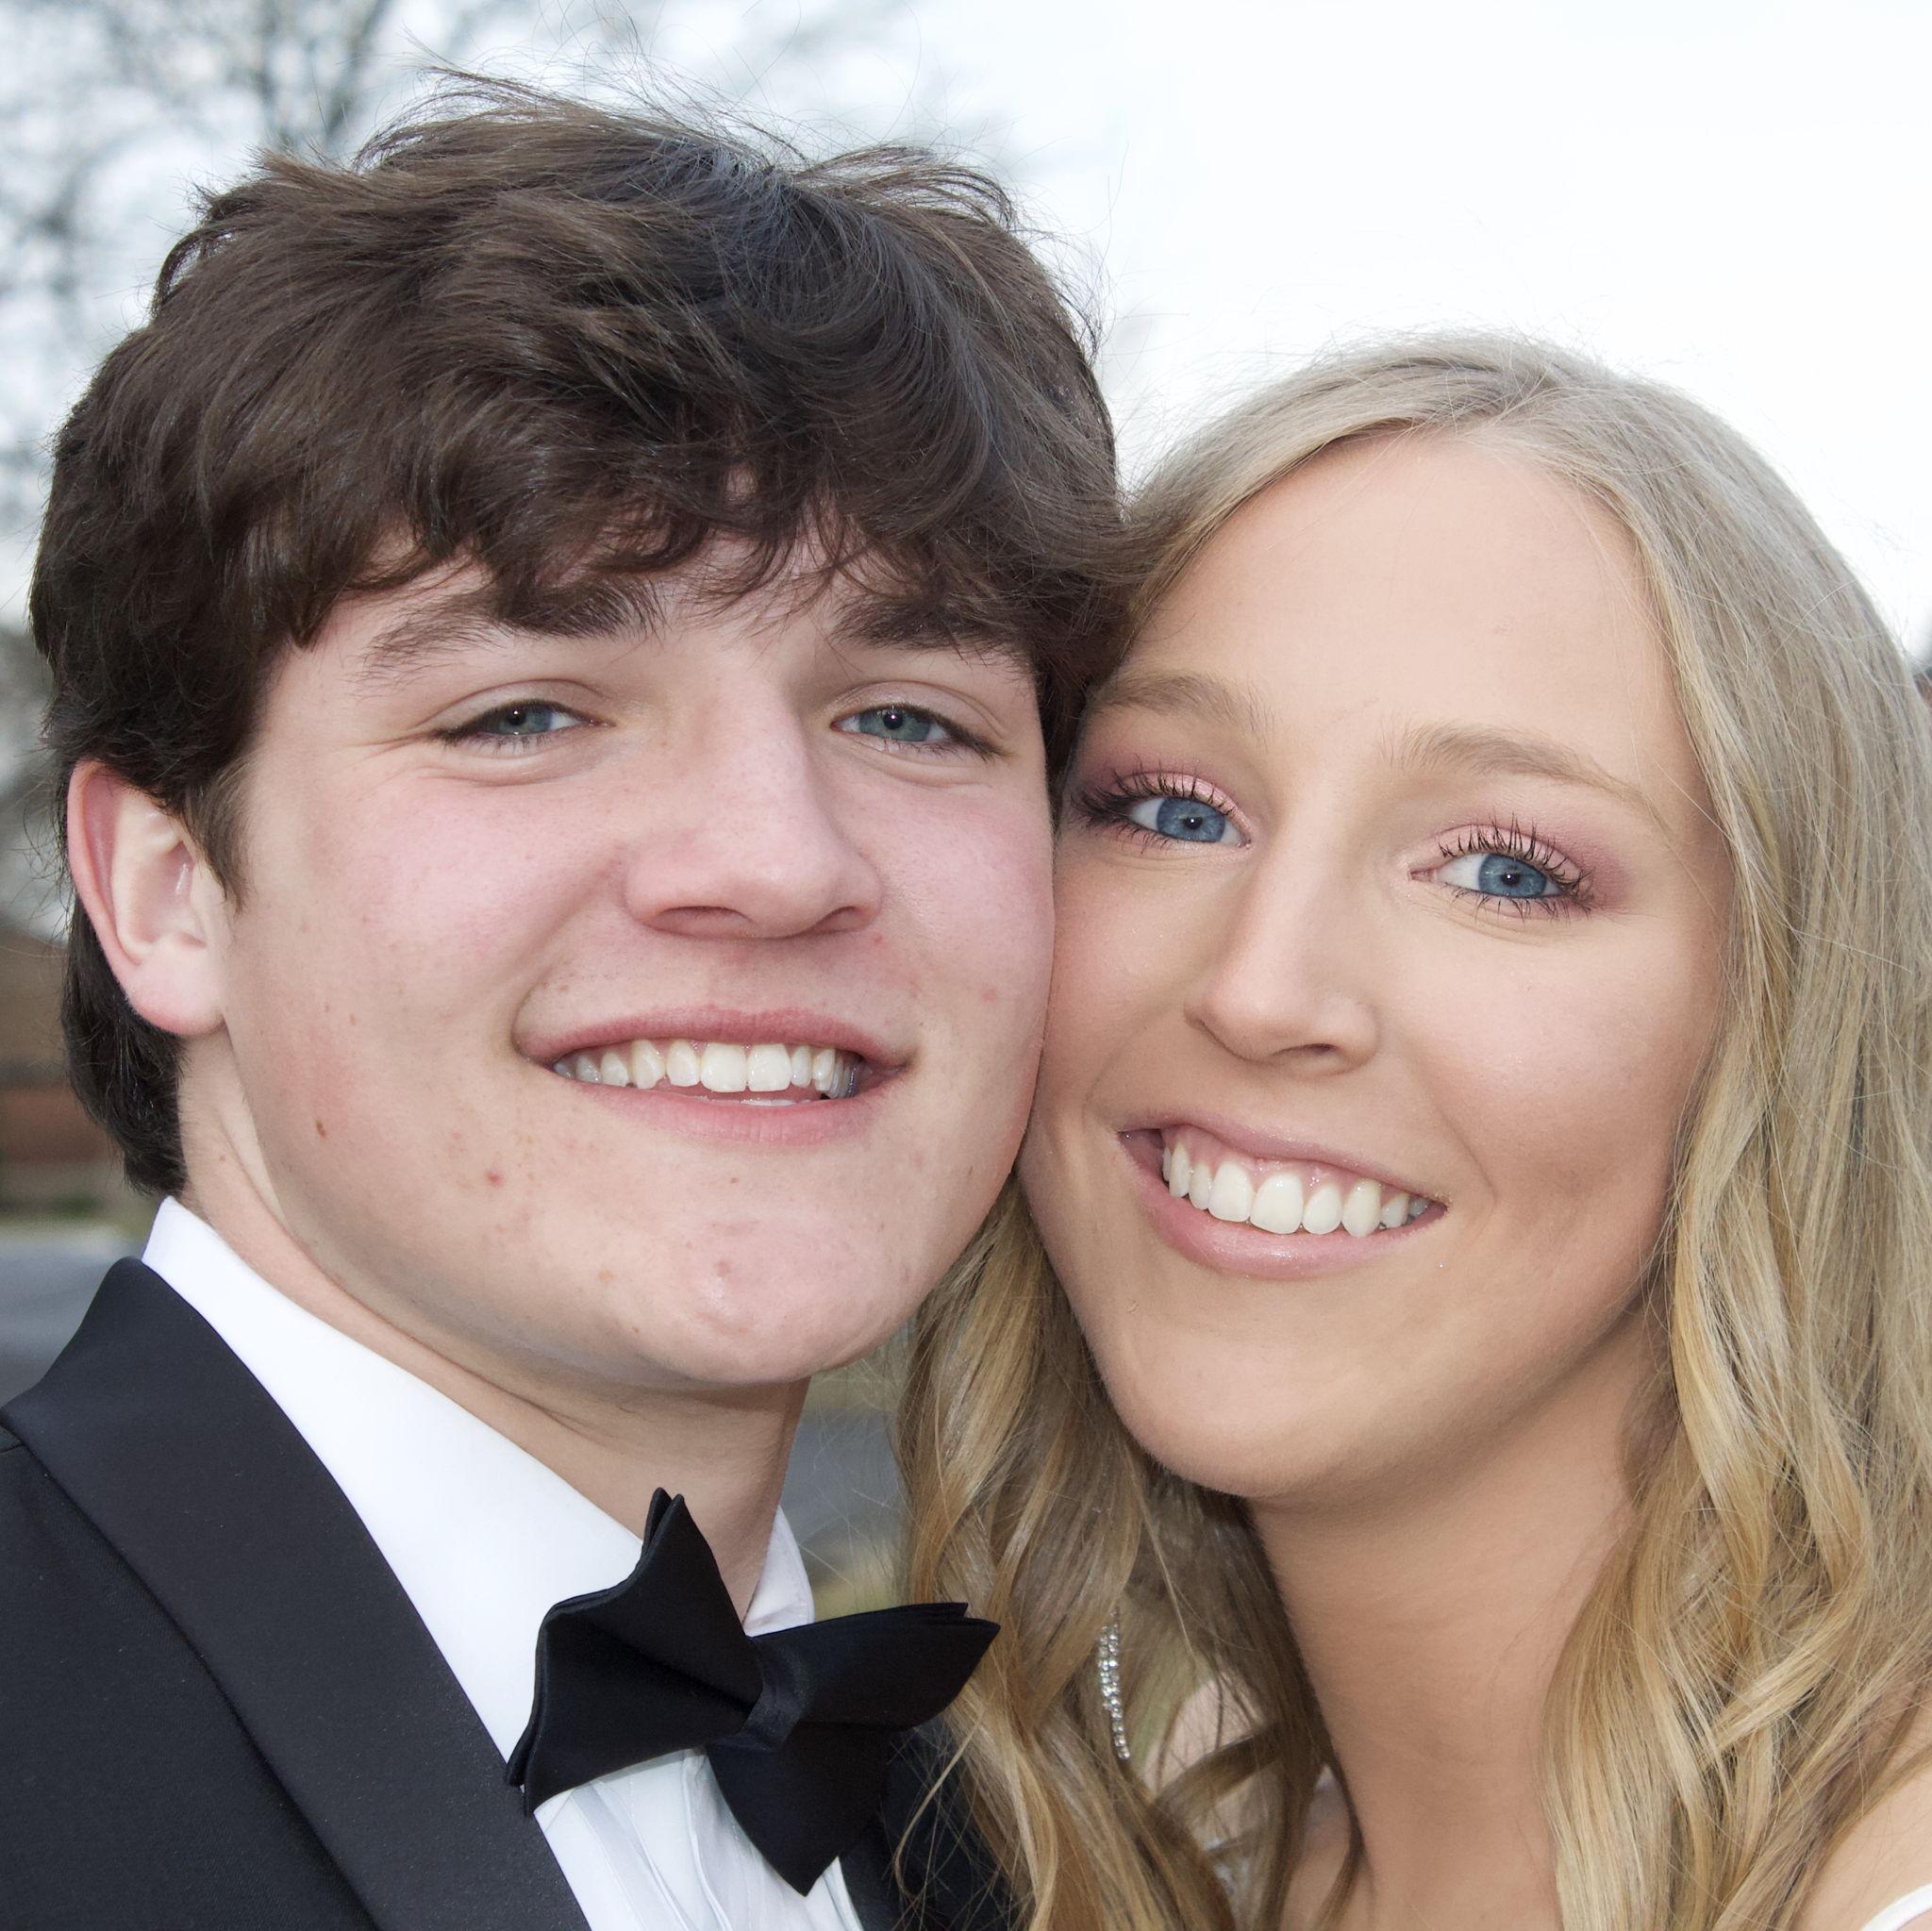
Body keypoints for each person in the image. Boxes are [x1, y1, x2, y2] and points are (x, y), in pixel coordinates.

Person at [0, 84, 1125, 1931]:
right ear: (165, 890)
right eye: (523, 712)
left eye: (908, 718)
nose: (776, 860)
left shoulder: (982, 1844)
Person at [901, 335, 1932, 1931]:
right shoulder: (1161, 1851)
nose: (1263, 988)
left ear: (1786, 1017)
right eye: (1176, 810)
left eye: (1505, 871)